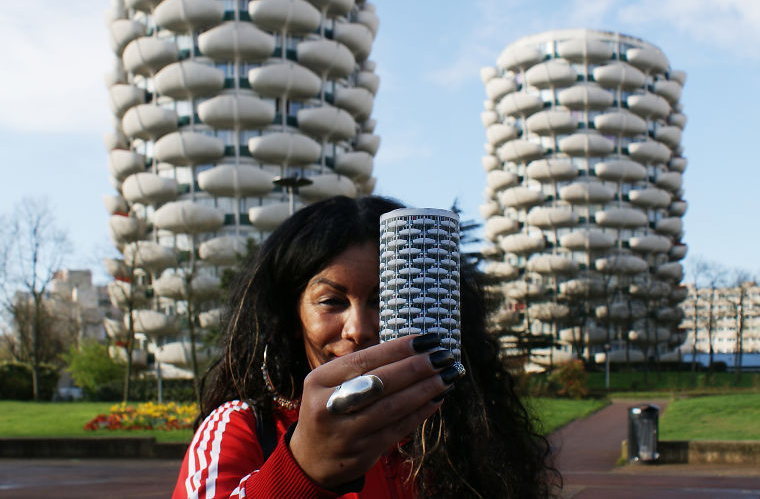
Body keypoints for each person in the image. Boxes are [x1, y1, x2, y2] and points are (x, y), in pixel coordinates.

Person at [172, 195, 558, 498]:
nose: (359, 329)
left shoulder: (459, 432)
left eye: (383, 300)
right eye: (332, 302)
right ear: (291, 319)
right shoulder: (241, 427)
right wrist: (303, 469)